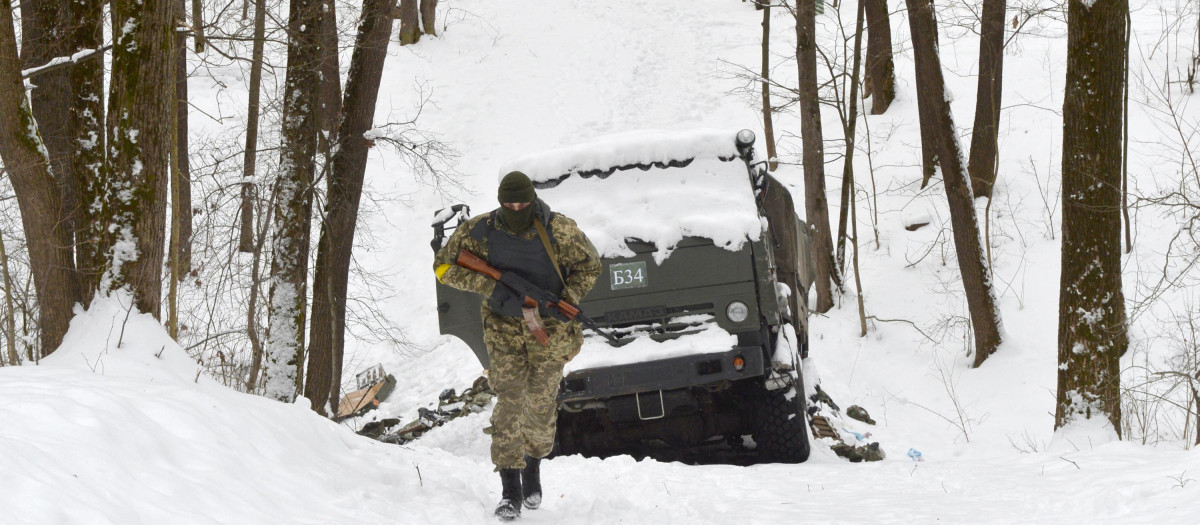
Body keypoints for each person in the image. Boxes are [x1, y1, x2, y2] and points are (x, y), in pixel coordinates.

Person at [433, 171, 600, 520]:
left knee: (540, 406)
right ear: (499, 201)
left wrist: (565, 298)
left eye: (523, 203)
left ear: (533, 198)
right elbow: (443, 266)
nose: (516, 208)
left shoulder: (559, 229)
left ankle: (533, 469)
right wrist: (491, 286)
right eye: (509, 203)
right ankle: (510, 490)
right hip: (503, 328)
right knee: (510, 404)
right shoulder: (479, 231)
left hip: (549, 332)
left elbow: (590, 266)